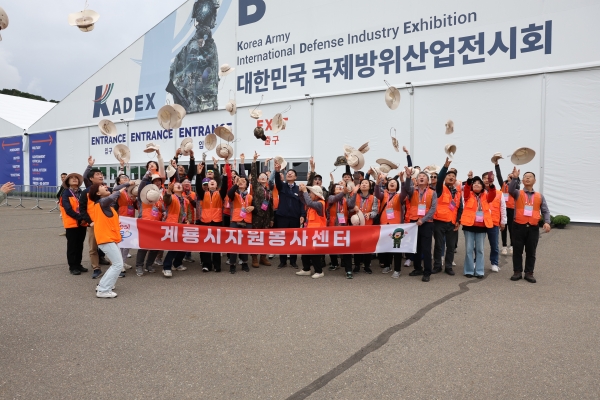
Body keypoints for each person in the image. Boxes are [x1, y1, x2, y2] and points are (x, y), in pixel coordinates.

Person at [88, 181, 131, 298]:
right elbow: (115, 194)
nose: (105, 186)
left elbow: (115, 189)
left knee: (116, 264)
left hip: (109, 238)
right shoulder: (102, 202)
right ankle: (103, 290)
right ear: (98, 193)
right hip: (106, 239)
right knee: (118, 264)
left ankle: (103, 285)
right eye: (102, 186)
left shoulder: (105, 204)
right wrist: (123, 188)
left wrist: (127, 184)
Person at [508, 167, 551, 283]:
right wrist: (515, 178)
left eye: (530, 177)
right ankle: (517, 271)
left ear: (534, 181)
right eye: (525, 177)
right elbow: (510, 189)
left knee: (531, 251)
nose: (527, 178)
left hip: (533, 227)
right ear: (522, 181)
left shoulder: (539, 196)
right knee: (517, 250)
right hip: (518, 226)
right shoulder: (518, 193)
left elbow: (545, 210)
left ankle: (529, 272)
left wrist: (547, 222)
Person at [402, 167, 438, 282]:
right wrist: (408, 177)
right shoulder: (413, 191)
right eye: (419, 177)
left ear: (428, 180)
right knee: (415, 247)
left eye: (424, 177)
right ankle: (417, 268)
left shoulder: (432, 192)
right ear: (416, 180)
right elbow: (406, 188)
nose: (421, 178)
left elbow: (433, 209)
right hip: (414, 222)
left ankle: (427, 272)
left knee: (426, 249)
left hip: (427, 223)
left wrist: (423, 220)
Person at [460, 172, 497, 278]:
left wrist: (491, 184)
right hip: (469, 226)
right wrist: (469, 179)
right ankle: (469, 270)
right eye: (474, 183)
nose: (476, 184)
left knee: (480, 250)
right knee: (469, 249)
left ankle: (479, 271)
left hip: (481, 226)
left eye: (479, 183)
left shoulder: (486, 196)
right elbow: (466, 188)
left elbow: (493, 194)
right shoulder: (468, 195)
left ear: (482, 186)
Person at [80, 157, 111, 278]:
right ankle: (96, 268)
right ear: (91, 178)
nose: (101, 176)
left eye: (101, 174)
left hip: (106, 224)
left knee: (109, 245)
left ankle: (115, 266)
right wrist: (89, 222)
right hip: (93, 224)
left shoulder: (107, 190)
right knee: (93, 247)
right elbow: (82, 209)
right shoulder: (86, 192)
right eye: (97, 174)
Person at [196, 161, 229, 272]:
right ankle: (206, 265)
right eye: (210, 182)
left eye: (214, 182)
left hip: (217, 221)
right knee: (205, 244)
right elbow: (198, 187)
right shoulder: (203, 194)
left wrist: (225, 175)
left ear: (216, 185)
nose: (212, 183)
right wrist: (198, 174)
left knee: (216, 245)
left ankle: (217, 265)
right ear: (208, 185)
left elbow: (225, 186)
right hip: (204, 221)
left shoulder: (220, 194)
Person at [432, 158, 462, 276]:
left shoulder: (458, 193)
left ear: (455, 180)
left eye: (453, 176)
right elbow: (439, 179)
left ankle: (448, 267)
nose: (451, 177)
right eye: (449, 175)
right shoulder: (440, 188)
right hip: (439, 221)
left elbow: (460, 208)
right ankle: (437, 266)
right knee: (439, 245)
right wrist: (445, 167)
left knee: (450, 246)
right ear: (445, 178)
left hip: (452, 223)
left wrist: (458, 221)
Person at [274, 161, 305, 269]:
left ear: (295, 177)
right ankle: (282, 261)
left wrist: (302, 215)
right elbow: (277, 180)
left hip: (294, 217)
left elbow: (302, 204)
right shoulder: (282, 186)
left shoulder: (299, 189)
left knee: (293, 239)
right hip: (282, 217)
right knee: (282, 239)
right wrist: (277, 171)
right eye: (288, 173)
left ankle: (293, 261)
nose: (289, 174)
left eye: (292, 173)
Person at [135, 171, 166, 276]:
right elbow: (140, 188)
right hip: (144, 225)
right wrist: (146, 176)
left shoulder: (159, 200)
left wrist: (165, 213)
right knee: (143, 247)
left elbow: (163, 210)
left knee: (155, 247)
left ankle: (149, 265)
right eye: (155, 181)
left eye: (159, 181)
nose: (157, 182)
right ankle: (139, 266)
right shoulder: (142, 199)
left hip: (157, 226)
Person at [161, 181, 193, 277]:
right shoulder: (171, 197)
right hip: (173, 224)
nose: (178, 185)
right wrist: (168, 192)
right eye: (176, 185)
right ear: (172, 189)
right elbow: (166, 200)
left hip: (183, 225)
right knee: (174, 247)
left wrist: (189, 220)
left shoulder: (186, 200)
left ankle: (177, 263)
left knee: (185, 246)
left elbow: (189, 212)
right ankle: (166, 267)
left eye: (179, 185)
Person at [227, 157, 253, 274]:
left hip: (247, 221)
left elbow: (256, 208)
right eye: (240, 182)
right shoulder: (235, 194)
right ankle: (232, 264)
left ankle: (244, 262)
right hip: (235, 220)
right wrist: (236, 184)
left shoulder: (250, 196)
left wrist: (253, 207)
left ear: (247, 185)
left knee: (245, 243)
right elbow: (229, 194)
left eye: (244, 182)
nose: (241, 183)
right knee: (234, 243)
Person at [374, 174, 403, 277]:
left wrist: (403, 180)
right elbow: (377, 194)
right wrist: (377, 184)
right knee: (386, 246)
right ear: (387, 185)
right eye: (390, 182)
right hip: (384, 224)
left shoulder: (399, 196)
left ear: (397, 186)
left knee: (396, 247)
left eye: (394, 182)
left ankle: (397, 269)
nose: (392, 183)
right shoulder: (383, 195)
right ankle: (387, 265)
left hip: (396, 225)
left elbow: (405, 192)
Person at [327, 181, 358, 278]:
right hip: (332, 226)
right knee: (331, 246)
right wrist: (343, 192)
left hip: (344, 226)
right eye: (337, 187)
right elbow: (335, 198)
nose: (339, 188)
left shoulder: (345, 199)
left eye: (341, 187)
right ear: (333, 190)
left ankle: (348, 270)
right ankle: (334, 263)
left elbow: (351, 205)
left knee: (346, 248)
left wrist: (354, 193)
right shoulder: (331, 197)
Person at [59, 173, 88, 275]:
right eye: (72, 178)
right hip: (72, 224)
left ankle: (78, 264)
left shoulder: (82, 192)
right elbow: (68, 209)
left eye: (76, 178)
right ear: (68, 182)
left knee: (80, 245)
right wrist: (81, 218)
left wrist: (85, 219)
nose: (75, 179)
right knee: (72, 246)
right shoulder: (65, 193)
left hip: (82, 223)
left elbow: (86, 206)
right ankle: (72, 266)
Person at [296, 184, 327, 279]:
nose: (309, 194)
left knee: (315, 253)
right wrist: (301, 191)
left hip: (317, 232)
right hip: (309, 231)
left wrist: (305, 191)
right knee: (305, 251)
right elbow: (303, 199)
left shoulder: (320, 204)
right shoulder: (313, 203)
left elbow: (308, 202)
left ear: (316, 195)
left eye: (311, 193)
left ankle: (319, 271)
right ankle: (306, 269)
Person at [250, 151, 274, 268]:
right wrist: (254, 161)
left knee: (265, 237)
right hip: (257, 216)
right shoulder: (256, 187)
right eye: (261, 177)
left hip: (266, 217)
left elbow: (271, 206)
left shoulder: (269, 191)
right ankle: (254, 258)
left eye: (265, 176)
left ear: (267, 179)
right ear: (258, 179)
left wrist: (271, 218)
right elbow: (253, 174)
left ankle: (263, 257)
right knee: (255, 237)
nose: (263, 177)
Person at [482, 170, 507, 272]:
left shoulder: (499, 193)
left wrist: (503, 221)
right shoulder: (479, 192)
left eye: (488, 178)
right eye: (484, 178)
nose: (486, 180)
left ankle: (494, 263)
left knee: (494, 245)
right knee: (478, 245)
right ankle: (476, 262)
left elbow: (503, 208)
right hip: (481, 222)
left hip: (493, 222)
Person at [353, 178, 378, 274]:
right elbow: (349, 208)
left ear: (370, 186)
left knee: (368, 246)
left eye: (366, 183)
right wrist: (353, 208)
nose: (364, 184)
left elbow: (375, 211)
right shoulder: (355, 196)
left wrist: (370, 214)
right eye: (362, 183)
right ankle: (357, 265)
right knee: (357, 246)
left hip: (368, 225)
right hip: (357, 225)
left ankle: (367, 266)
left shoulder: (373, 198)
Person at [115, 159, 136, 270]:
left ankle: (123, 262)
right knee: (121, 241)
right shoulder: (119, 191)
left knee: (128, 242)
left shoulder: (130, 191)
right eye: (122, 178)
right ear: (119, 182)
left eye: (126, 178)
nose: (125, 179)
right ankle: (119, 264)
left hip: (131, 219)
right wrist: (122, 168)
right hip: (122, 218)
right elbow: (115, 188)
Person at [495, 161, 517, 255]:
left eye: (511, 176)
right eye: (509, 175)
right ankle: (504, 246)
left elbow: (516, 184)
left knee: (512, 228)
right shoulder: (503, 185)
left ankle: (512, 245)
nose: (509, 176)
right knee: (503, 227)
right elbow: (499, 176)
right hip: (503, 209)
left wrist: (514, 178)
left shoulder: (516, 186)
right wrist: (497, 165)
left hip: (512, 208)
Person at [181, 178, 197, 263]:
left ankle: (188, 255)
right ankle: (179, 256)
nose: (187, 183)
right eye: (185, 182)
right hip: (181, 219)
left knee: (189, 238)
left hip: (191, 219)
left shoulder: (193, 194)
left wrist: (191, 200)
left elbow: (196, 206)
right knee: (181, 238)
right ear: (182, 185)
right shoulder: (179, 193)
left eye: (188, 182)